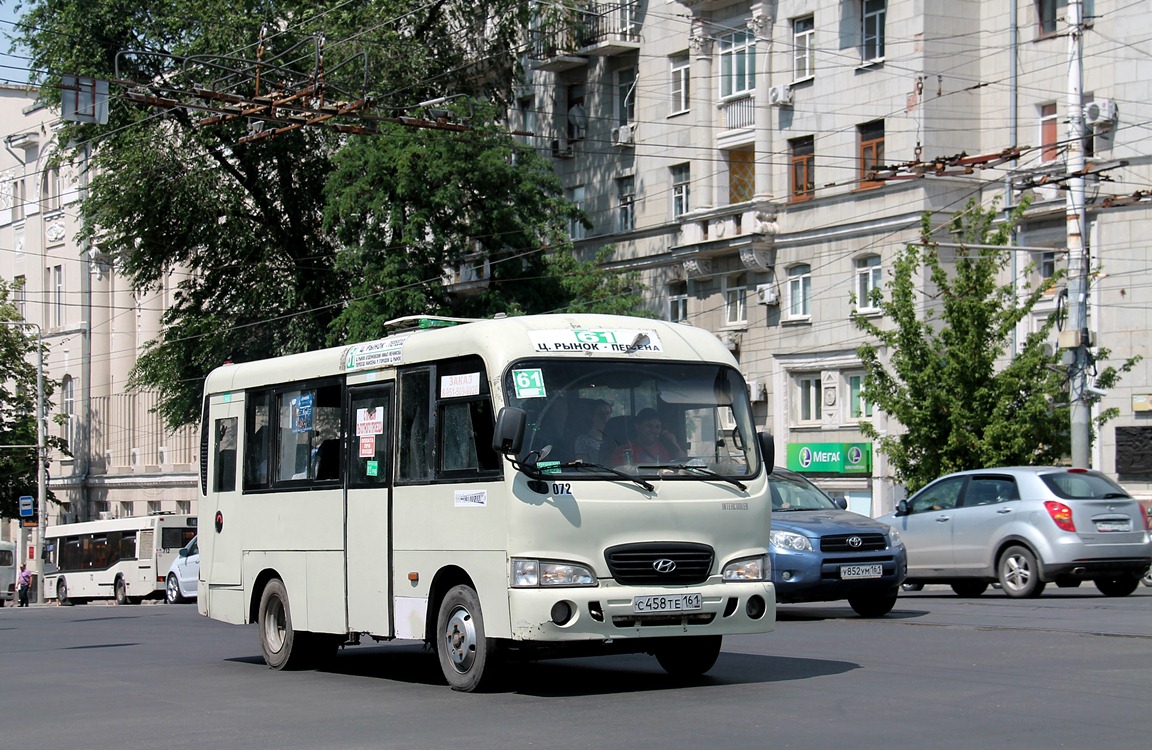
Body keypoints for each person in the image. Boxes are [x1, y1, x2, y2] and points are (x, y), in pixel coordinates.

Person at [610, 408, 683, 466]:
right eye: (649, 426)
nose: (653, 430)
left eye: (657, 427)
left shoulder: (667, 449)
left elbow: (684, 465)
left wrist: (674, 443)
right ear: (637, 426)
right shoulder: (625, 451)